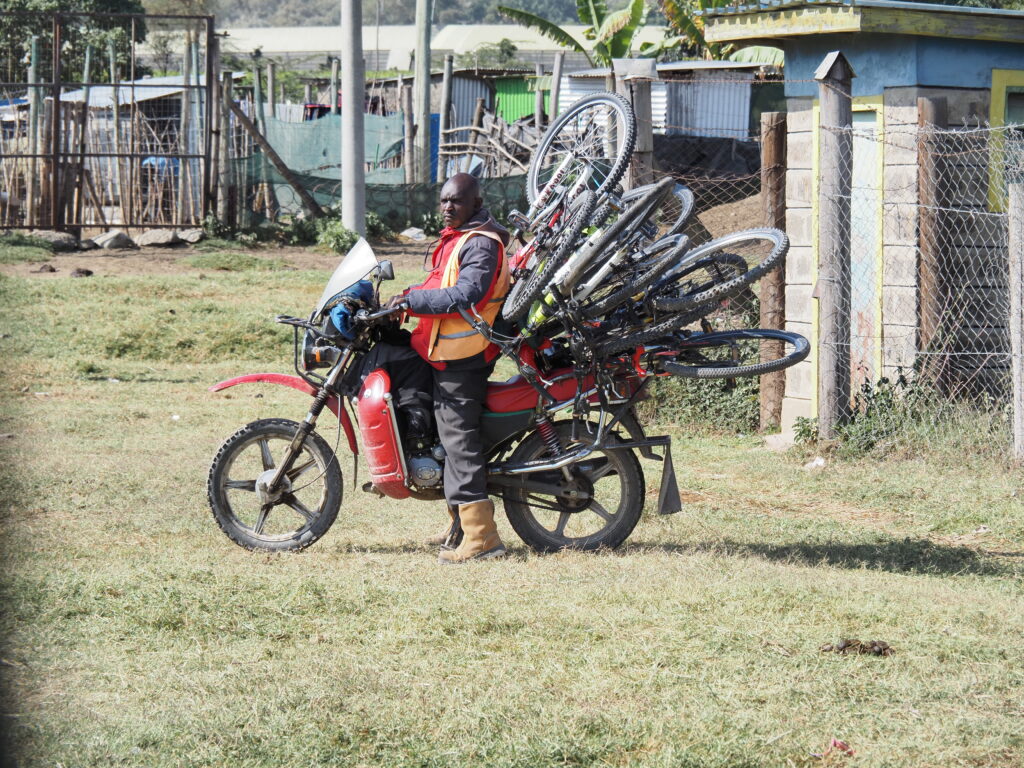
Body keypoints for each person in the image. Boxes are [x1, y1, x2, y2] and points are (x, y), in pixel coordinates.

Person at [364, 173, 511, 563]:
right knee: (425, 418)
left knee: (456, 438)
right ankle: (459, 523)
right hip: (437, 350)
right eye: (444, 201)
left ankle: (483, 537)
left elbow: (467, 293)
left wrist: (411, 301)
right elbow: (437, 283)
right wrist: (399, 301)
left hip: (462, 357)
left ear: (476, 203)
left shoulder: (481, 243)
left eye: (456, 202)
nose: (448, 208)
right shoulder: (458, 237)